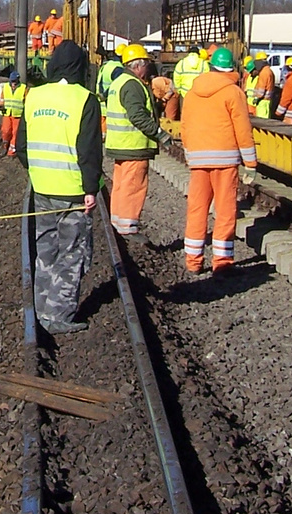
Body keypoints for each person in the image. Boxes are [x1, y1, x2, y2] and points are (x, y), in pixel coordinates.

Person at [18, 41, 101, 335]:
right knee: (73, 252)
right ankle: (59, 315)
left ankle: (39, 308)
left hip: (42, 188)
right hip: (73, 191)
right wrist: (91, 188)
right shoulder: (85, 100)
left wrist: (38, 171)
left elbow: (21, 146)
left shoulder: (34, 96)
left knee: (46, 249)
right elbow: (89, 151)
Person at [180, 47, 257, 274]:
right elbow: (243, 130)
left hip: (198, 161)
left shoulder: (193, 92)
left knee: (197, 208)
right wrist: (250, 164)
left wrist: (189, 153)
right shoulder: (233, 93)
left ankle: (193, 260)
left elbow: (185, 126)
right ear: (231, 69)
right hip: (225, 161)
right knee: (224, 210)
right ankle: (222, 262)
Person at [104, 44, 166, 237]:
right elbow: (137, 116)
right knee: (133, 187)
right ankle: (128, 228)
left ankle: (117, 222)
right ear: (138, 65)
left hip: (120, 145)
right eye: (146, 64)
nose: (148, 67)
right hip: (134, 145)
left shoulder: (118, 82)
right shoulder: (133, 85)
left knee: (121, 186)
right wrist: (160, 133)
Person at [0, 70, 27, 156]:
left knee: (16, 132)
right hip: (7, 113)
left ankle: (12, 150)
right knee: (5, 131)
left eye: (14, 81)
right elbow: (2, 99)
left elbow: (26, 101)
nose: (13, 83)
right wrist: (0, 105)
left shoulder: (23, 88)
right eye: (12, 81)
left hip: (18, 115)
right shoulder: (6, 87)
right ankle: (5, 146)